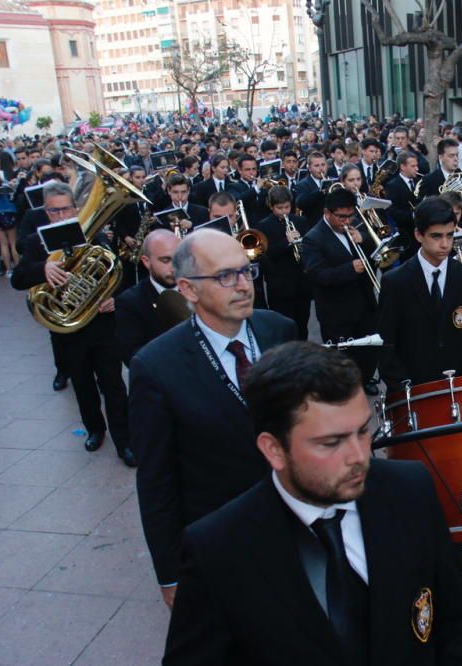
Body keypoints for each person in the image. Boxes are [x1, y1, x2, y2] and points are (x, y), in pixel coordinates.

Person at [163, 341, 462, 664]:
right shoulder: (218, 549)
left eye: (362, 432)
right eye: (331, 443)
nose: (359, 457)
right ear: (273, 449)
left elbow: (457, 615)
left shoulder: (409, 491)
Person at [130, 229, 296, 607]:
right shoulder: (156, 367)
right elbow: (156, 480)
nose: (242, 286)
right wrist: (171, 573)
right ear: (188, 289)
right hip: (223, 539)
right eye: (225, 276)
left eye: (245, 271)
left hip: (294, 523)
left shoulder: (278, 328)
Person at [10, 181, 136, 467]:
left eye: (66, 209)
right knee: (82, 383)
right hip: (69, 330)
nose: (61, 215)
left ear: (75, 208)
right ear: (46, 211)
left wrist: (113, 298)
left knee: (114, 384)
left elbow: (117, 273)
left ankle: (125, 440)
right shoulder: (34, 243)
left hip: (102, 324)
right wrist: (41, 269)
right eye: (54, 211)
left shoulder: (93, 237)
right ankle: (95, 430)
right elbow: (18, 279)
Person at [377, 197, 462, 391]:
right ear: (419, 235)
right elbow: (386, 345)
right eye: (436, 236)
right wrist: (404, 387)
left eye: (450, 235)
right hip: (413, 390)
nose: (445, 244)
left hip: (458, 387)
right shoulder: (395, 282)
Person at [301, 187, 380, 395]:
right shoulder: (313, 238)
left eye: (350, 216)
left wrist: (365, 240)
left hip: (364, 301)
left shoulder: (354, 229)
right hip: (337, 309)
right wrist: (349, 269)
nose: (346, 221)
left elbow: (373, 259)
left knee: (369, 348)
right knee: (343, 354)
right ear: (327, 213)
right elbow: (316, 275)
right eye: (341, 217)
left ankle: (366, 379)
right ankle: (346, 389)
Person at [115, 229, 181, 365]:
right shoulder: (129, 302)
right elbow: (132, 356)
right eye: (166, 260)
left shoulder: (198, 289)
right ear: (146, 261)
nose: (174, 267)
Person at [256, 186, 313, 340]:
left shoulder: (300, 221)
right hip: (280, 285)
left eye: (287, 207)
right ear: (271, 206)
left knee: (302, 324)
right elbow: (267, 254)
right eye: (279, 208)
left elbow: (309, 247)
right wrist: (286, 242)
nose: (284, 211)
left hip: (301, 283)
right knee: (283, 327)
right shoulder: (264, 225)